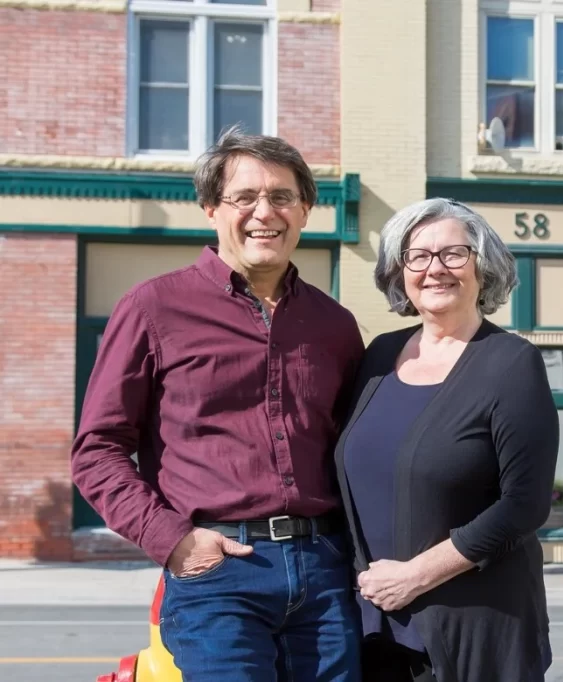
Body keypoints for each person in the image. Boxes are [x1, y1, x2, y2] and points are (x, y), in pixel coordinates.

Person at [70, 128, 364, 681]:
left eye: (282, 197)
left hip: (325, 572)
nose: (264, 213)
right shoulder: (153, 308)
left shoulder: (335, 326)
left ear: (305, 211)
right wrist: (172, 540)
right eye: (244, 197)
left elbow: (354, 450)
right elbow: (98, 451)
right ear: (211, 208)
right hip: (218, 572)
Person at [333, 198, 558, 682]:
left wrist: (415, 576)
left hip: (472, 625)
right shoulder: (379, 355)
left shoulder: (512, 362)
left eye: (454, 253)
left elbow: (525, 504)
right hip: (375, 626)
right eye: (418, 256)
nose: (435, 269)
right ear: (400, 272)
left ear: (483, 265)